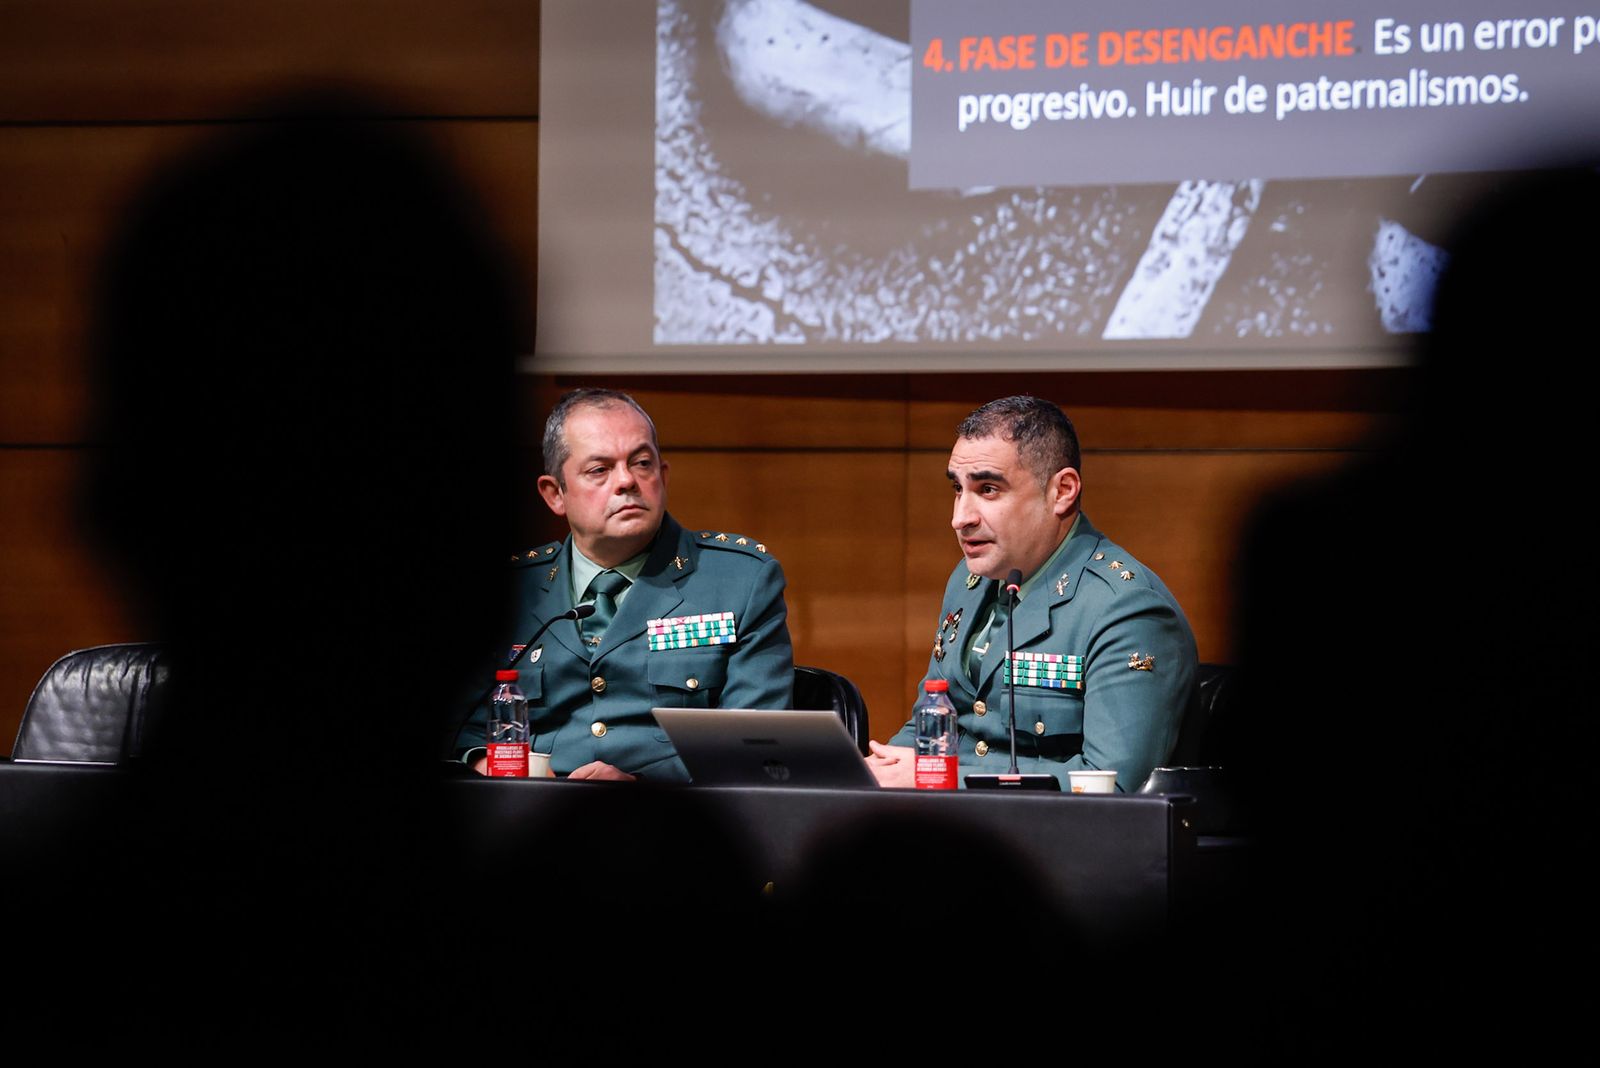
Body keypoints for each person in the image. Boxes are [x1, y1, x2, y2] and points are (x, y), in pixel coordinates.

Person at [456, 388, 794, 780]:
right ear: (555, 494)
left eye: (642, 463)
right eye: (599, 470)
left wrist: (645, 787)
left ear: (662, 476)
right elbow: (461, 728)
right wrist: (485, 761)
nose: (626, 481)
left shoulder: (740, 581)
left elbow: (753, 745)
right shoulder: (512, 588)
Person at [867, 395, 1196, 791]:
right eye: (958, 488)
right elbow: (933, 725)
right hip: (955, 827)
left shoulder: (1125, 609)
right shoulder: (971, 580)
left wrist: (948, 777)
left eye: (988, 489)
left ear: (1063, 491)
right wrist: (871, 773)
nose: (960, 518)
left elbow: (1113, 786)